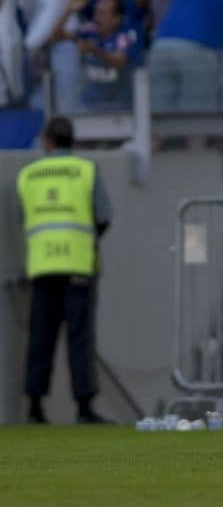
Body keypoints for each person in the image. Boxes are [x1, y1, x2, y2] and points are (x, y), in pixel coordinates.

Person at [18, 116, 112, 425]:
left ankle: (34, 406)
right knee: (79, 339)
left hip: (43, 266)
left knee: (40, 338)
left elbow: (25, 218)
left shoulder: (29, 175)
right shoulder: (86, 170)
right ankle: (84, 408)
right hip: (78, 267)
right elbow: (103, 215)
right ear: (72, 139)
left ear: (47, 141)